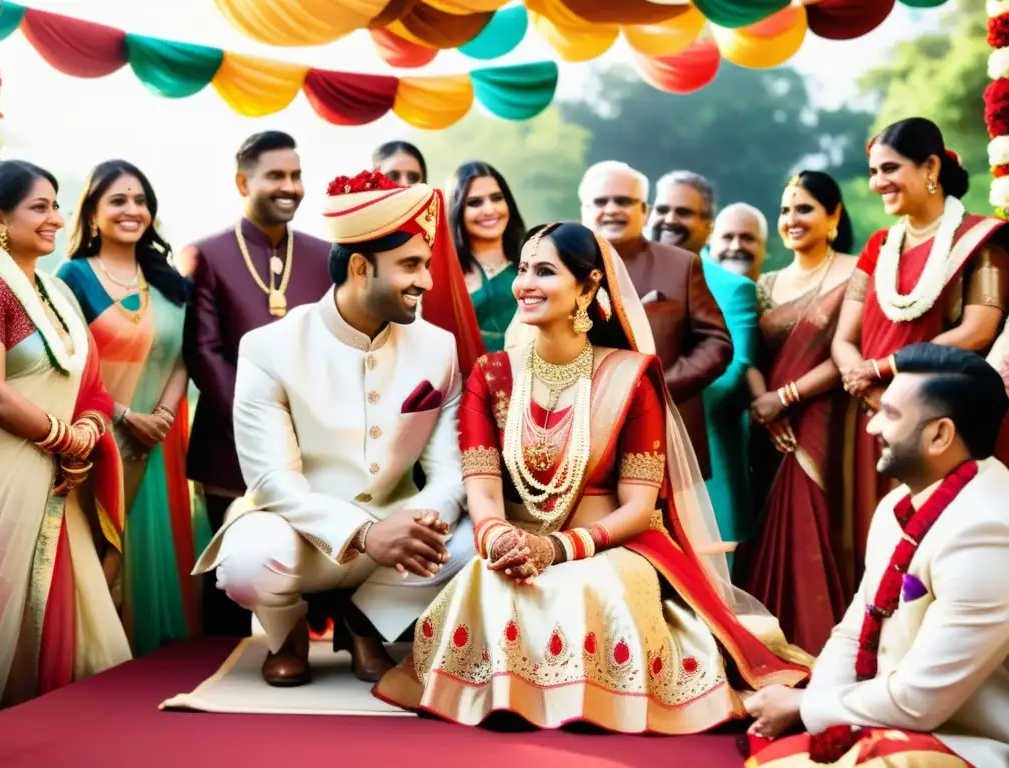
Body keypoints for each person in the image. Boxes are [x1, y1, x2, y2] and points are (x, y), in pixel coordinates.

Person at [374, 222, 810, 732]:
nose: (525, 284)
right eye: (522, 270)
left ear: (588, 287)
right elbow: (483, 488)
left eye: (545, 271)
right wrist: (500, 538)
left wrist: (558, 549)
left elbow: (639, 507)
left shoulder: (630, 377)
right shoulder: (490, 374)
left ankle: (591, 699)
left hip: (613, 548)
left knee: (588, 586)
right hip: (517, 544)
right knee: (485, 578)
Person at [193, 169, 486, 686]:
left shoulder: (436, 346)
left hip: (400, 526)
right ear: (359, 266)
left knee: (480, 540)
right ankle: (287, 635)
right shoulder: (269, 347)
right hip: (301, 531)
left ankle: (365, 621)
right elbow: (273, 482)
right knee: (246, 562)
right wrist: (365, 534)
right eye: (411, 265)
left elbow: (449, 469)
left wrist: (421, 523)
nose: (427, 281)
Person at [746, 343, 1009, 768]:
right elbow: (855, 629)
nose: (871, 429)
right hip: (898, 720)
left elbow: (921, 700)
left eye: (890, 414)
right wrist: (821, 717)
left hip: (972, 741)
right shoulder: (898, 505)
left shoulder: (989, 531)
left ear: (940, 434)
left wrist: (802, 707)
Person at [831, 117, 1009, 583]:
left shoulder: (981, 240)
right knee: (872, 544)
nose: (877, 183)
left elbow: (979, 329)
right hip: (871, 412)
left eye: (889, 168)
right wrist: (862, 381)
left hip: (939, 421)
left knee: (940, 548)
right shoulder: (879, 246)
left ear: (930, 166)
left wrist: (886, 369)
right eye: (872, 171)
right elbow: (842, 339)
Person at [0, 160, 131, 711]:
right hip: (0, 482)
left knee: (50, 613)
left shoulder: (54, 290)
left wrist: (87, 433)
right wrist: (66, 441)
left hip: (55, 482)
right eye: (38, 207)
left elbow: (89, 383)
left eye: (55, 205)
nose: (55, 218)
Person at [181, 131, 333, 636]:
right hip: (229, 444)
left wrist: (306, 427)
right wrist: (258, 426)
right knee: (233, 569)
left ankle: (303, 656)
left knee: (306, 564)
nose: (289, 186)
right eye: (275, 176)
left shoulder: (324, 255)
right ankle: (216, 673)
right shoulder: (206, 254)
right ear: (243, 181)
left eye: (295, 175)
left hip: (313, 443)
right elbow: (204, 351)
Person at [57, 160, 199, 656]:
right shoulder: (71, 277)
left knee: (154, 550)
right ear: (93, 214)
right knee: (100, 552)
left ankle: (157, 660)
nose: (132, 210)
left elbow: (185, 354)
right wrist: (124, 416)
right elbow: (68, 364)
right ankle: (100, 654)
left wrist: (161, 414)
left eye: (141, 201)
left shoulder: (167, 280)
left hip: (159, 439)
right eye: (118, 200)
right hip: (100, 435)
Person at [738, 172, 858, 656]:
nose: (791, 220)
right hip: (771, 430)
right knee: (771, 532)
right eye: (785, 210)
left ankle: (825, 651)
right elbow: (748, 356)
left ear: (833, 216)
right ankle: (768, 653)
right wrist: (765, 405)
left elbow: (847, 352)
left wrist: (784, 398)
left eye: (804, 208)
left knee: (819, 531)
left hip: (829, 422)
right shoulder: (766, 284)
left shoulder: (855, 273)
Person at [579, 161, 732, 479]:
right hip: (581, 434)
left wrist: (660, 389)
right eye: (601, 201)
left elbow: (716, 343)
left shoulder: (680, 265)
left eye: (623, 201)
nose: (612, 210)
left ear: (645, 211)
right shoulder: (559, 265)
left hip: (666, 433)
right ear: (584, 209)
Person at [652, 171, 761, 555]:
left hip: (708, 467)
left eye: (684, 212)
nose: (670, 219)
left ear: (708, 225)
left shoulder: (733, 288)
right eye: (662, 208)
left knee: (713, 602)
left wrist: (648, 394)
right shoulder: (624, 277)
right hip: (634, 471)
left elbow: (732, 373)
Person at [447, 161, 526, 352]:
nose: (490, 210)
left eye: (497, 198)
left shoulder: (532, 264)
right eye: (475, 203)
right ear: (457, 210)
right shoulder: (444, 276)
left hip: (526, 376)